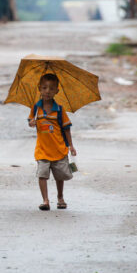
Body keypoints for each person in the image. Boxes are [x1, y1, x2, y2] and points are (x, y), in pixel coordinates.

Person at [27, 73, 77, 211]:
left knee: (59, 176)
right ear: (39, 89)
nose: (47, 91)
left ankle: (60, 197)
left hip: (58, 148)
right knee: (42, 175)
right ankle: (45, 200)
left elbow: (66, 129)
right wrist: (32, 123)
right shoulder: (36, 108)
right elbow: (30, 122)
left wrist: (71, 146)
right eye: (44, 88)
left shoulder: (60, 110)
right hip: (42, 149)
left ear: (57, 91)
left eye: (51, 88)